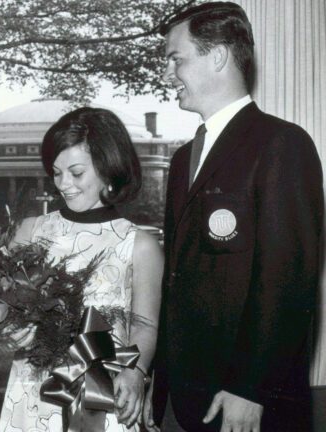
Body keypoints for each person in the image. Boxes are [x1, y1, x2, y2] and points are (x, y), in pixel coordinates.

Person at [151, 3, 323, 431]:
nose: (168, 73)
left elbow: (288, 279)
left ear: (218, 56)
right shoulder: (181, 161)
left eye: (176, 58)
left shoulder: (282, 144)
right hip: (184, 396)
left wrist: (252, 387)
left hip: (244, 400)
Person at [0, 107, 163, 432]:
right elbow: (5, 303)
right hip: (37, 388)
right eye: (56, 173)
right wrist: (12, 327)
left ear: (108, 167)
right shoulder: (31, 231)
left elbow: (145, 325)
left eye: (76, 172)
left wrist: (135, 372)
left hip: (105, 390)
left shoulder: (139, 244)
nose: (64, 184)